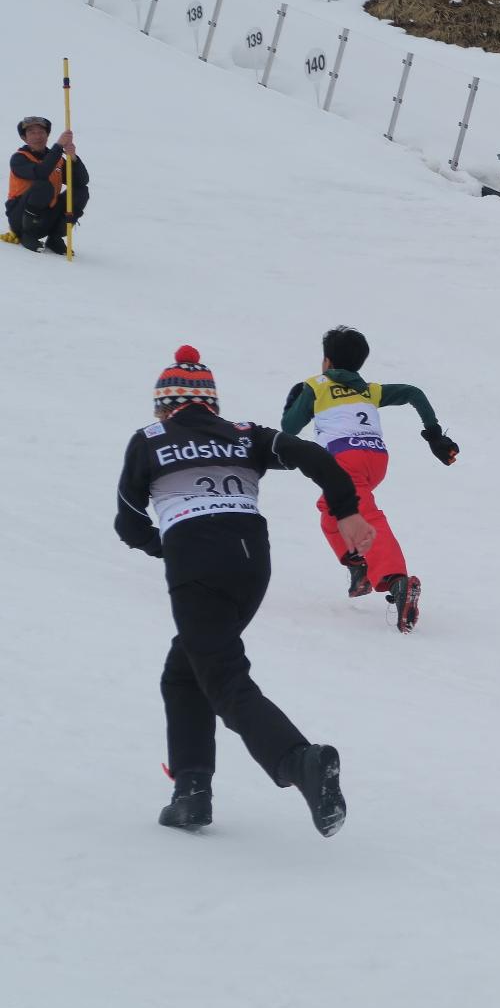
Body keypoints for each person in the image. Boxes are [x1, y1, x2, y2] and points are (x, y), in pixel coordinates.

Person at [115, 346, 371, 836]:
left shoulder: (149, 440)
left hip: (196, 561)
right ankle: (192, 790)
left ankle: (299, 761)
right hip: (252, 564)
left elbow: (128, 521)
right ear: (211, 404)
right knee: (185, 671)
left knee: (223, 679)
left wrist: (165, 545)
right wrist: (346, 511)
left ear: (166, 406)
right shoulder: (245, 435)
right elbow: (317, 457)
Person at [280, 327, 457, 631]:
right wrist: (434, 435)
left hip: (342, 459)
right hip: (376, 459)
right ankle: (359, 568)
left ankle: (397, 579)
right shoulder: (369, 390)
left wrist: (294, 400)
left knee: (363, 515)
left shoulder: (316, 386)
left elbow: (289, 427)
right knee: (330, 511)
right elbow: (414, 393)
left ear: (327, 360)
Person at [5, 114, 89, 255]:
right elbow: (41, 173)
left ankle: (55, 237)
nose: (38, 136)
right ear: (24, 138)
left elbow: (81, 181)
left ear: (47, 135)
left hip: (46, 218)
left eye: (41, 132)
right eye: (32, 132)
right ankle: (28, 235)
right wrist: (58, 146)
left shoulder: (56, 158)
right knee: (43, 186)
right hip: (20, 219)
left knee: (81, 191)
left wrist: (73, 157)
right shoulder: (19, 158)